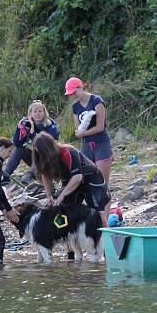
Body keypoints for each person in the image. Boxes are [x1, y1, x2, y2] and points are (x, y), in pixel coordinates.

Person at [32, 132, 111, 229]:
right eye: (38, 152)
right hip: (70, 183)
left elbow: (77, 177)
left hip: (90, 180)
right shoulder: (41, 158)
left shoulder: (67, 151)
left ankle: (107, 240)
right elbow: (46, 177)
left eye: (42, 152)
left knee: (100, 219)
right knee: (62, 215)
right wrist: (49, 196)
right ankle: (71, 240)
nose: (41, 155)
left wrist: (62, 195)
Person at [65, 76, 113, 215]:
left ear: (81, 87)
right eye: (70, 94)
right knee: (88, 181)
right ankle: (94, 215)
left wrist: (82, 134)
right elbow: (78, 128)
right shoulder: (75, 106)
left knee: (103, 183)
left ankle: (105, 217)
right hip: (86, 145)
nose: (73, 96)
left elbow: (100, 126)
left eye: (74, 92)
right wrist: (81, 134)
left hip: (101, 142)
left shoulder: (96, 100)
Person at [4, 100, 59, 183]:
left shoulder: (50, 126)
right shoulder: (27, 124)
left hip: (47, 159)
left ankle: (30, 175)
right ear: (30, 114)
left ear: (44, 112)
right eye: (35, 111)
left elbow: (46, 147)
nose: (37, 114)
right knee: (19, 149)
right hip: (33, 158)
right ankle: (5, 175)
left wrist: (33, 132)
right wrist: (19, 129)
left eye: (40, 111)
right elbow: (16, 143)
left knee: (40, 152)